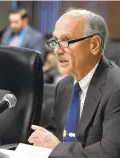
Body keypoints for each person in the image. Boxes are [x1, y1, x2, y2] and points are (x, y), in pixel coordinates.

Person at [28, 9, 120, 157]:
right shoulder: (65, 85)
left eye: (66, 41)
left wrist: (58, 148)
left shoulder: (116, 89)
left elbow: (109, 153)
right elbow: (58, 132)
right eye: (55, 41)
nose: (57, 50)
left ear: (94, 45)